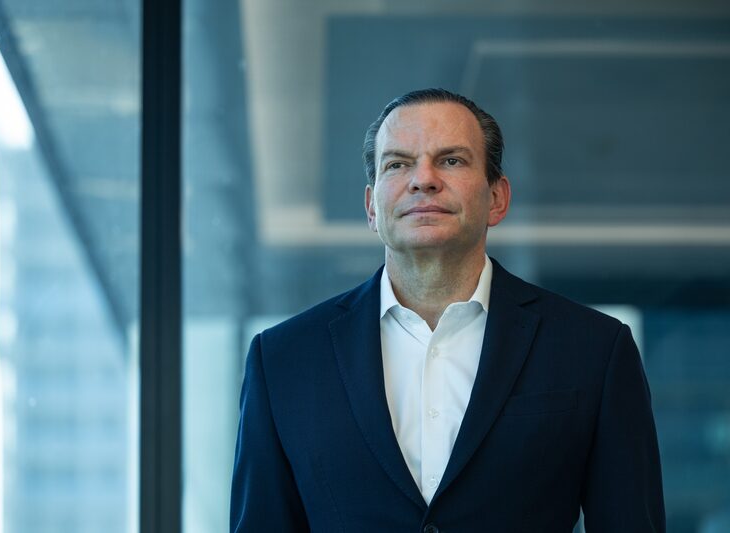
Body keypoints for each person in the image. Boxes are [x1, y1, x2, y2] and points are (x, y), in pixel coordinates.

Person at [230, 88, 665, 532]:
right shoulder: (283, 359)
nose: (423, 179)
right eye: (397, 164)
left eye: (452, 160)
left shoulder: (594, 349)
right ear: (371, 207)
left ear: (497, 198)